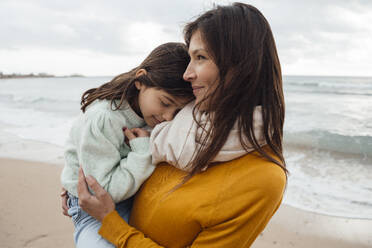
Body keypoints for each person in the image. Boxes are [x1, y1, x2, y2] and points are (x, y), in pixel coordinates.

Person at [67, 2, 287, 247]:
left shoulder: (262, 179)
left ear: (240, 65)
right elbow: (113, 161)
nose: (186, 74)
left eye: (200, 57)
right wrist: (78, 193)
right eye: (190, 58)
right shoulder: (180, 122)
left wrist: (110, 222)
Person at [60, 42, 195, 247]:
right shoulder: (105, 119)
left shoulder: (149, 113)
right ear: (141, 79)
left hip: (133, 199)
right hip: (92, 207)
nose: (168, 117)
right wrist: (143, 151)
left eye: (177, 112)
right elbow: (103, 192)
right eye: (165, 103)